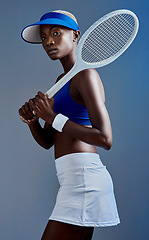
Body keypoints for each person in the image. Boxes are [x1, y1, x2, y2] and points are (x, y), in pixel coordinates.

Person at [19, 10, 120, 240]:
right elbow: (48, 142)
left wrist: (53, 117)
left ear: (76, 35)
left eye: (56, 33)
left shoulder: (87, 75)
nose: (49, 42)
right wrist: (33, 121)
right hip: (70, 178)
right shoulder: (60, 82)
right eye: (44, 37)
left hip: (85, 179)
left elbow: (106, 139)